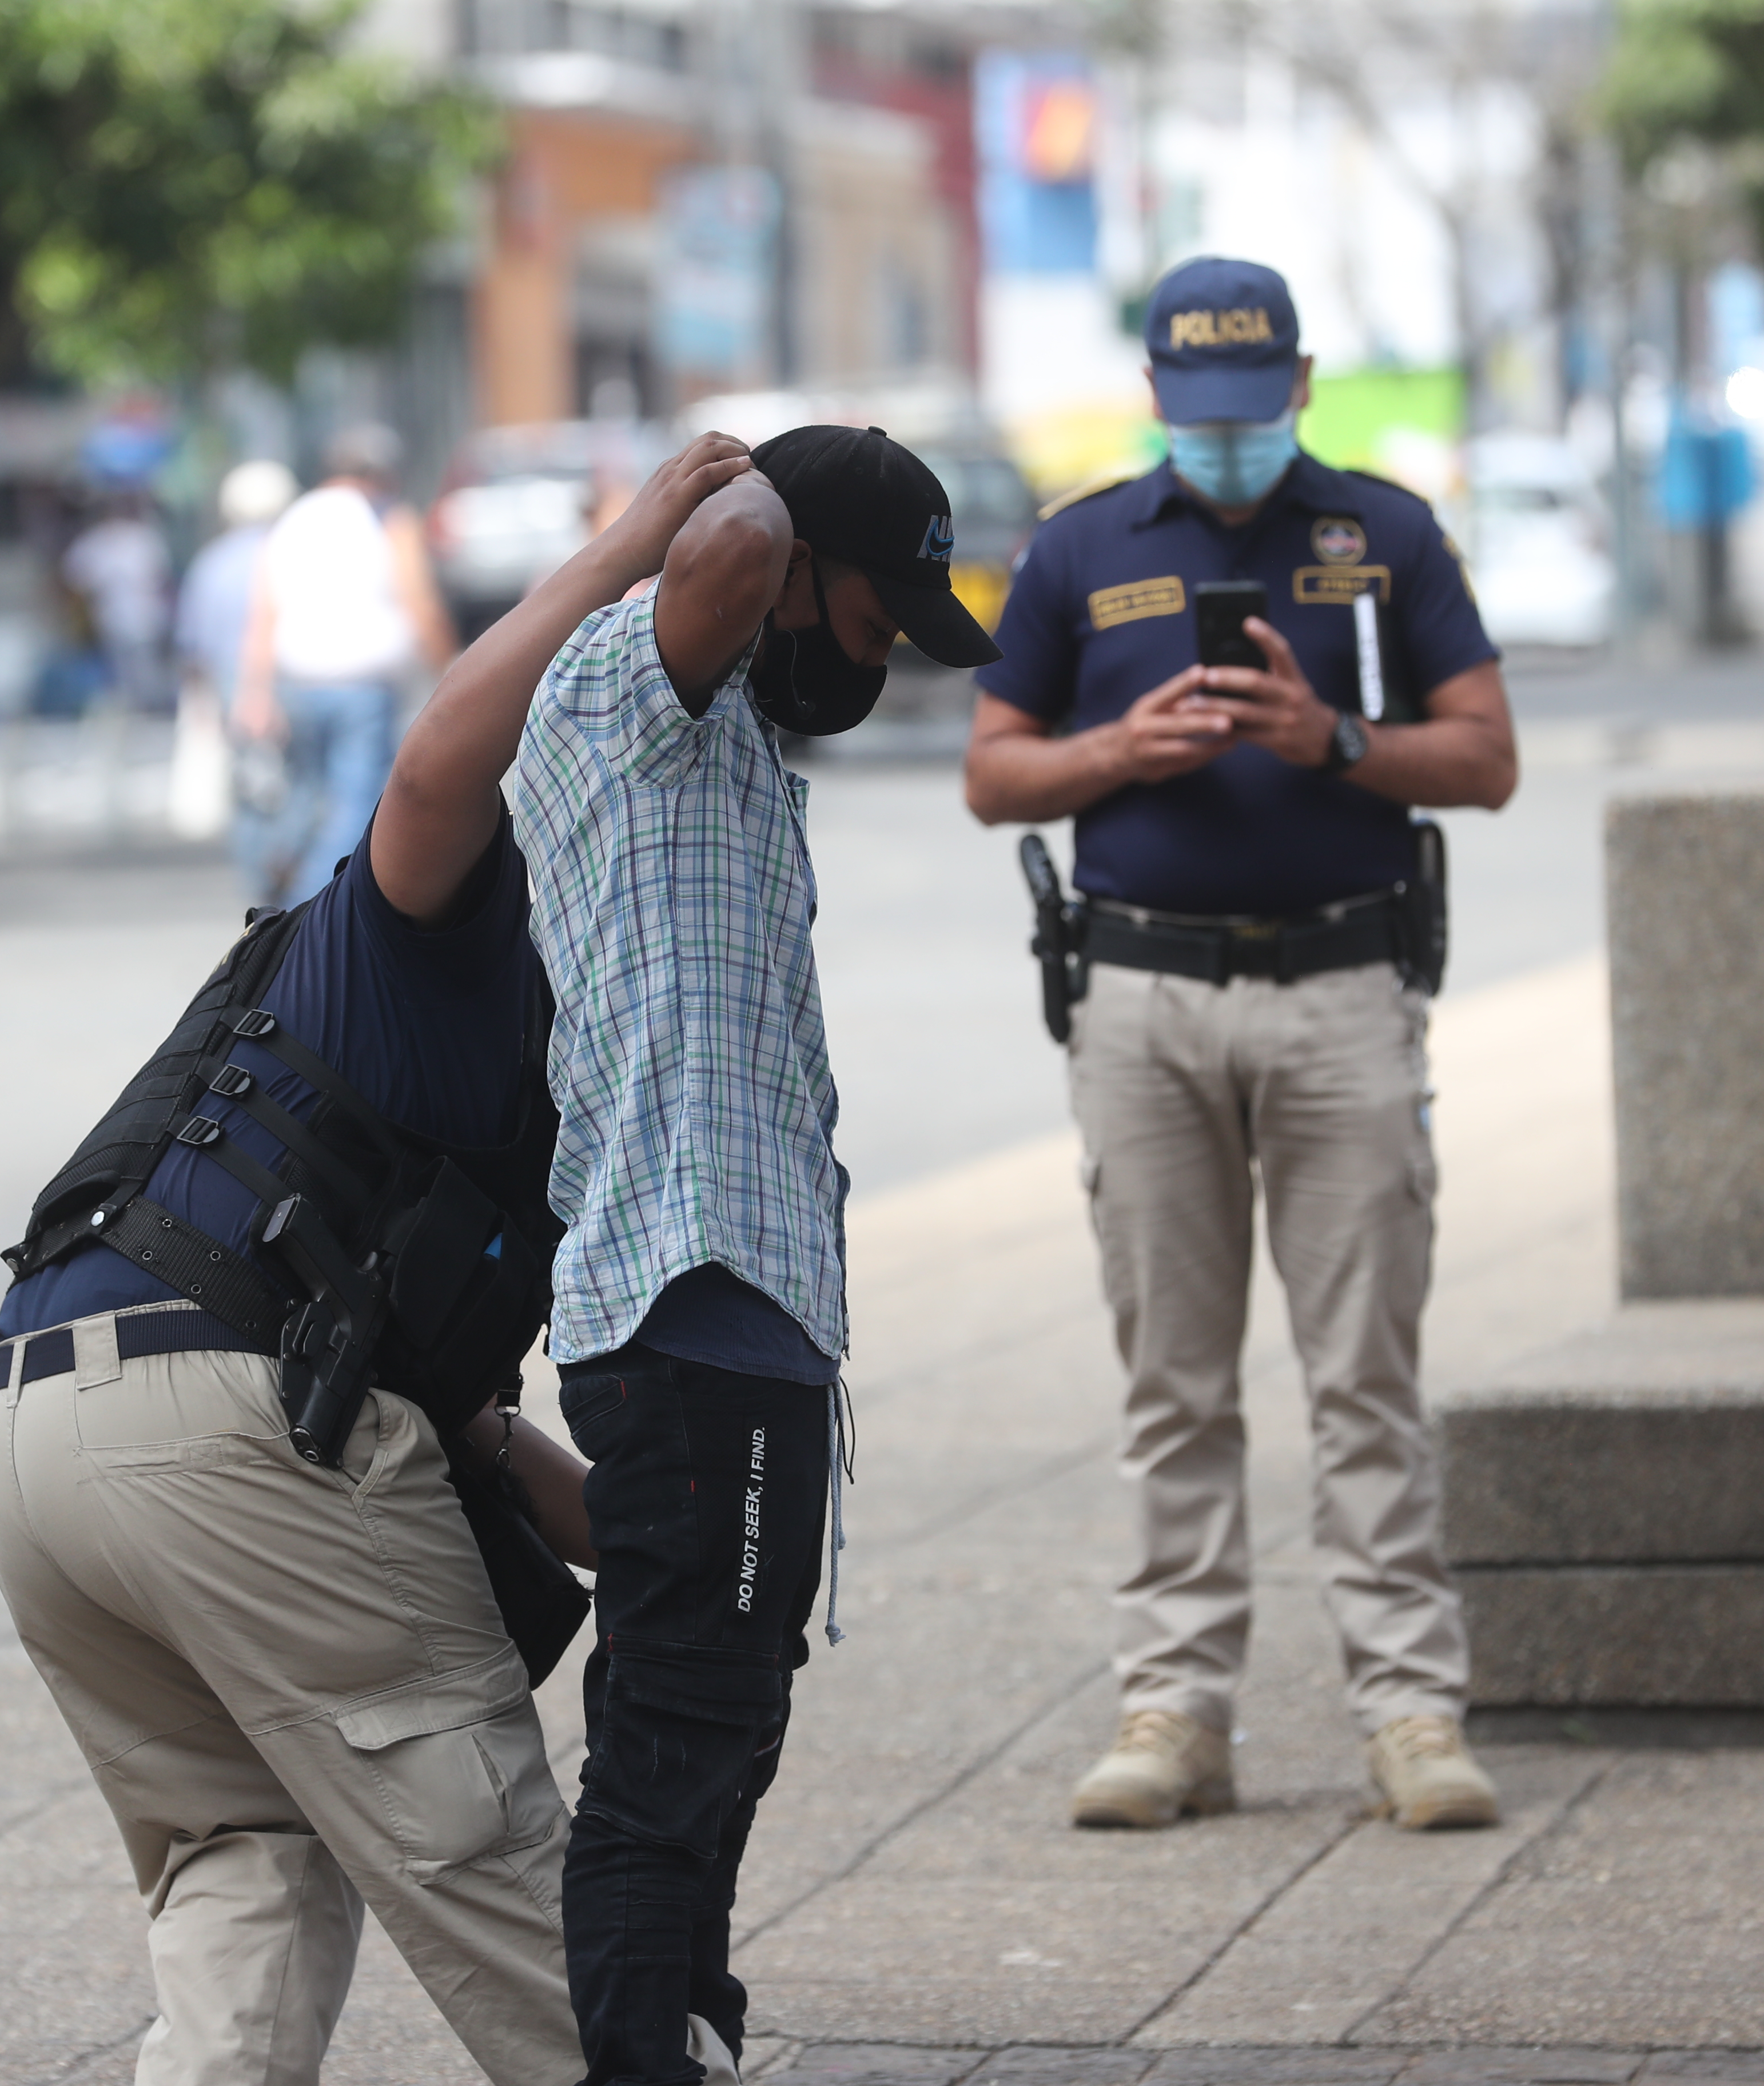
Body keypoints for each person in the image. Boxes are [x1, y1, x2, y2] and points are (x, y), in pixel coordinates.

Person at [0, 431, 766, 2086]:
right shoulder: (442, 924)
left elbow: (461, 1424)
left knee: (244, 1860)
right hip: (235, 1430)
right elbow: (427, 770)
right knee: (516, 1899)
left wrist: (678, 1545)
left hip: (44, 1434)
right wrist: (626, 549)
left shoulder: (391, 1036)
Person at [961, 256, 1521, 1834]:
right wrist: (1115, 752)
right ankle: (1176, 1713)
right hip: (1143, 1004)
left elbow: (1486, 756)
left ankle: (1412, 1711)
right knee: (1174, 1380)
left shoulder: (1384, 537)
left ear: (1301, 383)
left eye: (1253, 407)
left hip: (1345, 993)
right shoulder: (1079, 547)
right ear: (1155, 400)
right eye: (1197, 413)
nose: (1225, 439)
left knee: (1366, 1378)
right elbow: (993, 776)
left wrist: (1331, 741)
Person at [510, 423, 1003, 2086]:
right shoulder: (630, 697)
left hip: (752, 1315)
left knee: (727, 1724)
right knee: (671, 1746)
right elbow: (727, 547)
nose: (875, 662)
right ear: (792, 572)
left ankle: (687, 2032)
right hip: (689, 1301)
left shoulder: (728, 744)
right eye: (874, 619)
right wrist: (743, 495)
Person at [234, 424, 455, 904]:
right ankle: (307, 911)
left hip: (298, 682)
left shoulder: (294, 520)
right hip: (362, 686)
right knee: (355, 803)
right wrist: (452, 668)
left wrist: (254, 690)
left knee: (305, 796)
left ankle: (275, 876)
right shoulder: (386, 519)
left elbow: (264, 613)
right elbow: (420, 601)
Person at [176, 459, 300, 882]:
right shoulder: (294, 552)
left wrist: (200, 701)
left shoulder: (211, 562)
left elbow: (192, 643)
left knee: (249, 789)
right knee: (300, 782)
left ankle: (259, 890)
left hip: (231, 682)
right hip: (293, 678)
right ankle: (298, 880)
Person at [62, 481, 177, 713]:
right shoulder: (96, 543)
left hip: (146, 621)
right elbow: (74, 583)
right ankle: (143, 716)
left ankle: (153, 714)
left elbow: (162, 580)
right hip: (114, 623)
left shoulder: (142, 538)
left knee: (149, 678)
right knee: (126, 681)